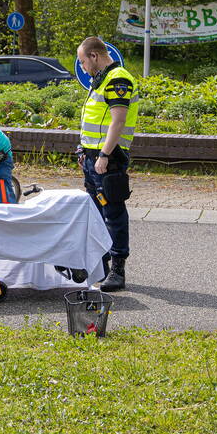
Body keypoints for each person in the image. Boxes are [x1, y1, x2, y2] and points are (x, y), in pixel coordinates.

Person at [76, 36, 139, 292]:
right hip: (93, 158)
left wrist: (103, 155)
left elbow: (118, 121)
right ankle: (100, 265)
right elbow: (94, 120)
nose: (82, 68)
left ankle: (117, 269)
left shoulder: (118, 79)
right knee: (96, 214)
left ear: (94, 56)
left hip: (109, 159)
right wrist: (83, 150)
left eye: (83, 62)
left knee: (113, 213)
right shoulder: (101, 80)